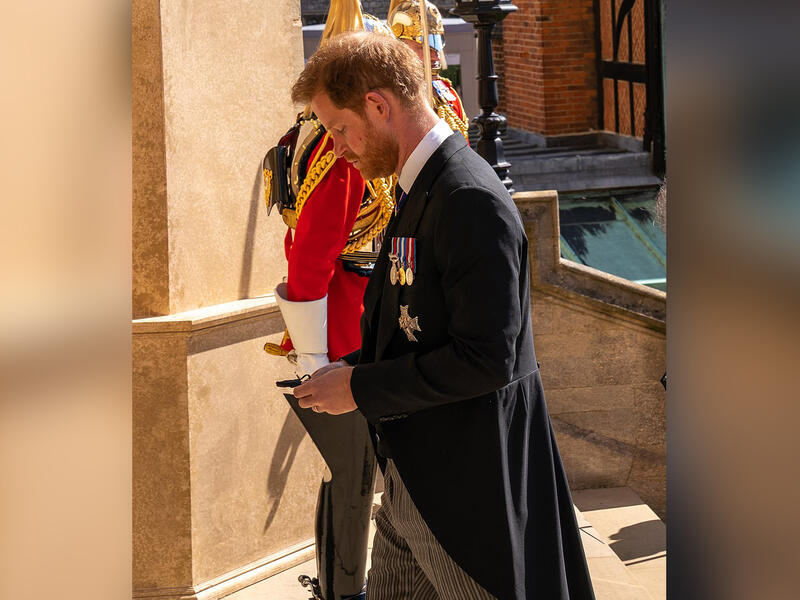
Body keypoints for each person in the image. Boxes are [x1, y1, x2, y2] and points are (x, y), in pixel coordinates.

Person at [292, 32, 596, 600]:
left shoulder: (466, 197)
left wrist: (358, 385)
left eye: (338, 128)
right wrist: (347, 372)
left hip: (466, 495)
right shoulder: (423, 185)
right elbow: (417, 327)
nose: (336, 148)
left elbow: (486, 359)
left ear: (379, 106)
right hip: (416, 477)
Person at [261, 4, 394, 599]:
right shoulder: (339, 156)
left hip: (348, 322)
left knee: (350, 476)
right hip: (344, 334)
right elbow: (311, 260)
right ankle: (347, 591)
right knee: (357, 478)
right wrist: (316, 360)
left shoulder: (316, 139)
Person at [387, 0, 469, 141]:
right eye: (422, 47)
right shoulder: (387, 99)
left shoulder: (447, 93)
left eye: (436, 44)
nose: (435, 54)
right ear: (400, 49)